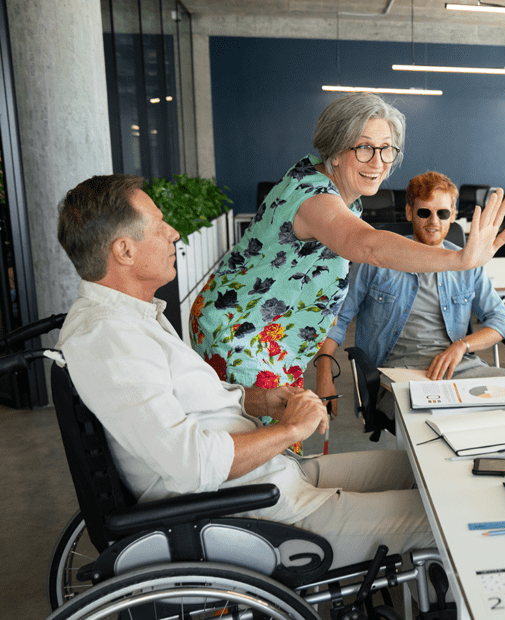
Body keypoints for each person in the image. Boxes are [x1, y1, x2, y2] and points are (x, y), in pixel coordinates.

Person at [55, 174, 434, 570]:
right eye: (159, 225)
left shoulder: (131, 318)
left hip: (273, 480)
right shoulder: (110, 339)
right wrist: (290, 429)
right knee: (446, 513)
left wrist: (259, 399)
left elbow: (190, 408)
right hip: (260, 513)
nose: (174, 232)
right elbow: (190, 465)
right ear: (124, 251)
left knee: (423, 470)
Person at [189, 94, 505, 441]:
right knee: (264, 448)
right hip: (242, 332)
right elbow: (368, 246)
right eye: (364, 147)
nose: (379, 162)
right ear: (336, 150)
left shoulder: (342, 194)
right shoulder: (313, 195)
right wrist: (458, 259)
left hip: (274, 338)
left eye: (387, 148)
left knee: (277, 443)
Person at [316, 171, 505, 410]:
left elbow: (503, 320)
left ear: (453, 215)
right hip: (398, 374)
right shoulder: (375, 258)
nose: (434, 222)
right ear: (409, 212)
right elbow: (337, 319)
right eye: (425, 212)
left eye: (442, 213)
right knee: (439, 415)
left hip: (458, 368)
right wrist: (324, 376)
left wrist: (461, 346)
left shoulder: (467, 263)